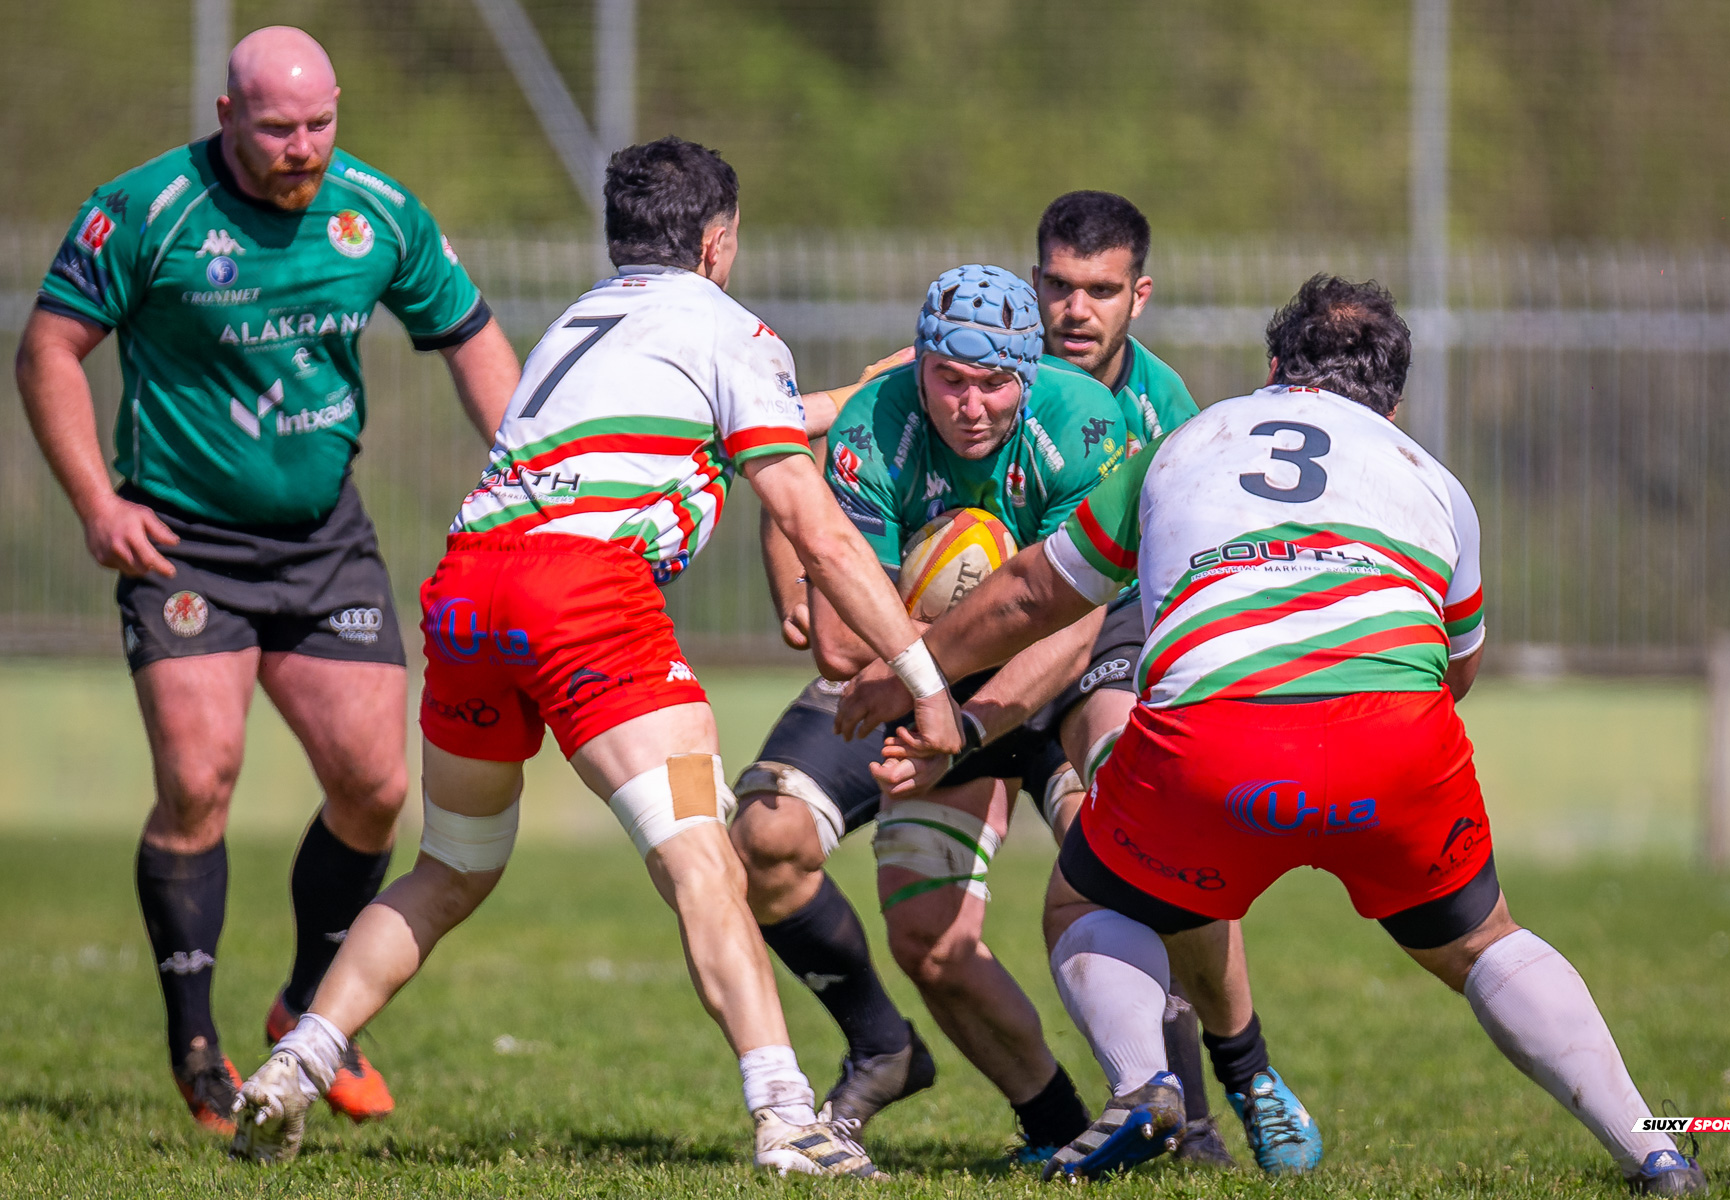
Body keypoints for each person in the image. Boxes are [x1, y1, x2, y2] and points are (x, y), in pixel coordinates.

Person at [838, 275, 1708, 1195]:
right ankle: (1654, 1149)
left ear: (1272, 367)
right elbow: (1457, 672)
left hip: (1211, 740)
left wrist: (908, 673)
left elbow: (1028, 594)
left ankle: (1144, 1085)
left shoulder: (1184, 446)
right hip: (1395, 738)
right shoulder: (1433, 480)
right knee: (1484, 939)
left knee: (1085, 903)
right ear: (1392, 402)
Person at [230, 136, 959, 1176]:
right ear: (717, 242)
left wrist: (842, 400)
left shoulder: (581, 322)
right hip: (582, 597)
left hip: (471, 589)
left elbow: (692, 431)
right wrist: (924, 681)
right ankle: (789, 1118)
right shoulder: (727, 326)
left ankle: (295, 1062)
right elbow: (816, 526)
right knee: (703, 860)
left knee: (452, 866)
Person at [14, 27, 520, 1135]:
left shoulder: (377, 214)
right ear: (226, 114)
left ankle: (306, 1007)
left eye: (319, 124)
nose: (302, 147)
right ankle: (197, 1047)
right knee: (201, 780)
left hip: (324, 540)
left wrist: (525, 480)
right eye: (278, 128)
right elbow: (48, 349)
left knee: (374, 786)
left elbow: (472, 337)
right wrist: (98, 503)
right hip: (183, 542)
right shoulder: (146, 211)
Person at [731, 263, 1155, 1161]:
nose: (969, 406)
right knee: (784, 845)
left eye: (992, 383)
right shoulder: (874, 424)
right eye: (948, 379)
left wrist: (958, 718)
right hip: (912, 680)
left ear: (1028, 373)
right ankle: (968, 1086)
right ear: (918, 364)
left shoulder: (1083, 424)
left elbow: (1072, 626)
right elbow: (841, 646)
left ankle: (1176, 1105)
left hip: (1048, 680)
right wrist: (945, 665)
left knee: (1128, 861)